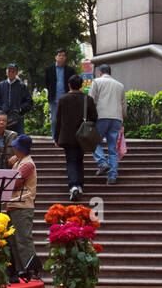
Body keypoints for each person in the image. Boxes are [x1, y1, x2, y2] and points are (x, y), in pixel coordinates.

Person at [53, 73, 96, 201]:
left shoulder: (63, 99)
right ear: (81, 85)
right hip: (83, 136)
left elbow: (58, 120)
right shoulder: (88, 99)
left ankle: (74, 185)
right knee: (79, 159)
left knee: (71, 160)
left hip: (67, 136)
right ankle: (80, 184)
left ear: (69, 85)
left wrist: (56, 137)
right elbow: (94, 118)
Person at [4, 133, 38, 280]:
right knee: (13, 239)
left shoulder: (27, 164)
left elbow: (15, 182)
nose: (13, 150)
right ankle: (19, 269)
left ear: (21, 149)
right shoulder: (19, 161)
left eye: (16, 148)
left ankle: (30, 268)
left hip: (23, 206)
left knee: (23, 239)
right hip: (14, 205)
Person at [90, 64, 126, 184]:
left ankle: (102, 162)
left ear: (100, 73)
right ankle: (112, 177)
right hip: (116, 118)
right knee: (113, 148)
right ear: (110, 73)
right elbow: (123, 105)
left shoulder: (96, 82)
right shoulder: (119, 85)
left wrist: (89, 118)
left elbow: (91, 100)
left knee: (93, 141)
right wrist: (122, 118)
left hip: (101, 117)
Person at [0, 62, 34, 134]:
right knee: (2, 139)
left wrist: (20, 109)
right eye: (9, 71)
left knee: (19, 140)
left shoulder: (21, 86)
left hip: (18, 118)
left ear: (16, 73)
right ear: (6, 72)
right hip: (3, 118)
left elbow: (29, 101)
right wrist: (0, 109)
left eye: (13, 71)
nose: (11, 73)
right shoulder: (1, 85)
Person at [43, 48, 70, 139]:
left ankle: (64, 136)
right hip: (54, 98)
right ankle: (55, 137)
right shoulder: (49, 69)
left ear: (65, 58)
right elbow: (46, 82)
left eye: (63, 56)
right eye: (59, 55)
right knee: (54, 119)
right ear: (56, 57)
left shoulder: (70, 70)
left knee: (65, 119)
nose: (61, 57)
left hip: (66, 99)